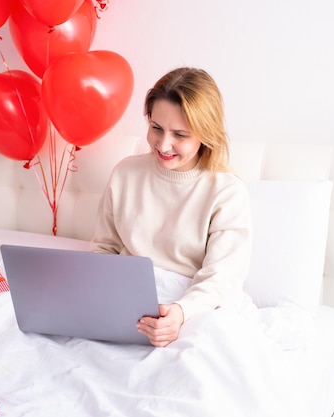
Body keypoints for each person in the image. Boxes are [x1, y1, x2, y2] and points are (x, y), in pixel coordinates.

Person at [91, 67, 252, 347]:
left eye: (180, 134)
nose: (163, 145)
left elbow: (221, 279)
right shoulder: (125, 173)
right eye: (156, 128)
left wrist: (179, 313)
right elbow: (103, 251)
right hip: (126, 304)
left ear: (205, 134)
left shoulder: (227, 192)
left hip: (192, 307)